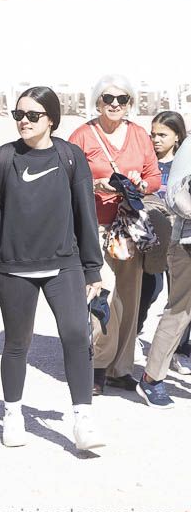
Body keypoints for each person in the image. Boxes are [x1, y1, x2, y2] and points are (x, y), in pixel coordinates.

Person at [0, 86, 106, 450]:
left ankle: (83, 419)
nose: (23, 122)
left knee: (76, 336)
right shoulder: (0, 158)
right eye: (18, 115)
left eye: (32, 115)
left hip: (65, 264)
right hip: (12, 268)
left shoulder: (70, 156)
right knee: (17, 343)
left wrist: (93, 267)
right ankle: (12, 414)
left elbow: (85, 216)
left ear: (51, 119)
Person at [68, 76, 162, 397]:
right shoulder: (82, 135)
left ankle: (121, 369)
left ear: (130, 103)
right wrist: (95, 186)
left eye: (123, 99)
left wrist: (139, 184)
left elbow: (154, 176)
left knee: (129, 295)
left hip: (127, 226)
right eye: (109, 98)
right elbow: (67, 176)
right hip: (93, 226)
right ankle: (96, 366)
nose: (115, 104)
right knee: (100, 294)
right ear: (98, 100)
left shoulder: (137, 135)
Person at [137, 138, 191, 406]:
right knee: (180, 311)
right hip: (187, 244)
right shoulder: (190, 145)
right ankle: (151, 379)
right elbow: (173, 197)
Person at [138, 112, 186, 344]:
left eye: (162, 135)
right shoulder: (146, 163)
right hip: (151, 240)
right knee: (150, 288)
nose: (155, 140)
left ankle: (179, 349)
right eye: (153, 134)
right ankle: (132, 333)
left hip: (179, 238)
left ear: (177, 136)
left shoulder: (184, 165)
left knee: (179, 297)